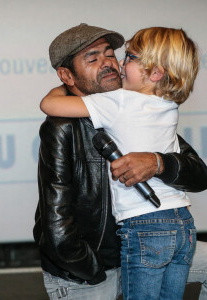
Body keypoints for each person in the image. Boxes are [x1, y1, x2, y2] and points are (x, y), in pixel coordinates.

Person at [33, 23, 207, 300]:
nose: (109, 64)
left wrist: (158, 162)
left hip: (146, 238)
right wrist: (92, 270)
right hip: (93, 266)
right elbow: (56, 216)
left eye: (110, 54)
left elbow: (200, 175)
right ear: (67, 74)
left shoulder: (135, 105)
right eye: (93, 58)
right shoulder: (64, 126)